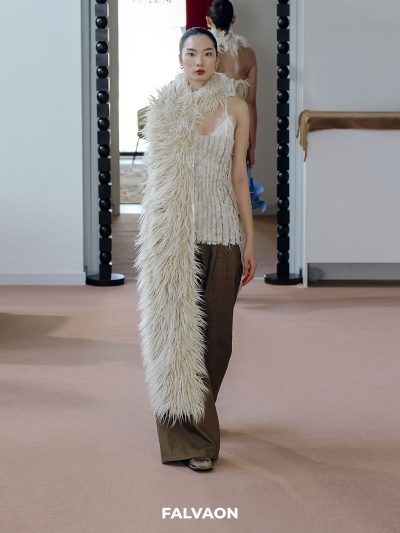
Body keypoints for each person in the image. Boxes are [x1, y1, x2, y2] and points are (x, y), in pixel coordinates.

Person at [135, 27, 256, 472]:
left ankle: (201, 408)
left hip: (222, 232)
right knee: (177, 338)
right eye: (191, 54)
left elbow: (239, 176)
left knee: (217, 341)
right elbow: (155, 181)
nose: (200, 62)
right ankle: (195, 440)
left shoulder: (237, 107)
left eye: (207, 53)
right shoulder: (163, 110)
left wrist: (249, 237)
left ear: (218, 58)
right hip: (175, 240)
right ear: (180, 59)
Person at [207, 0, 267, 212]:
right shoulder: (248, 55)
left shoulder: (207, 54)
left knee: (211, 189)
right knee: (236, 191)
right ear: (233, 19)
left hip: (211, 130)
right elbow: (251, 102)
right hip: (238, 130)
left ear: (208, 21)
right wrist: (252, 144)